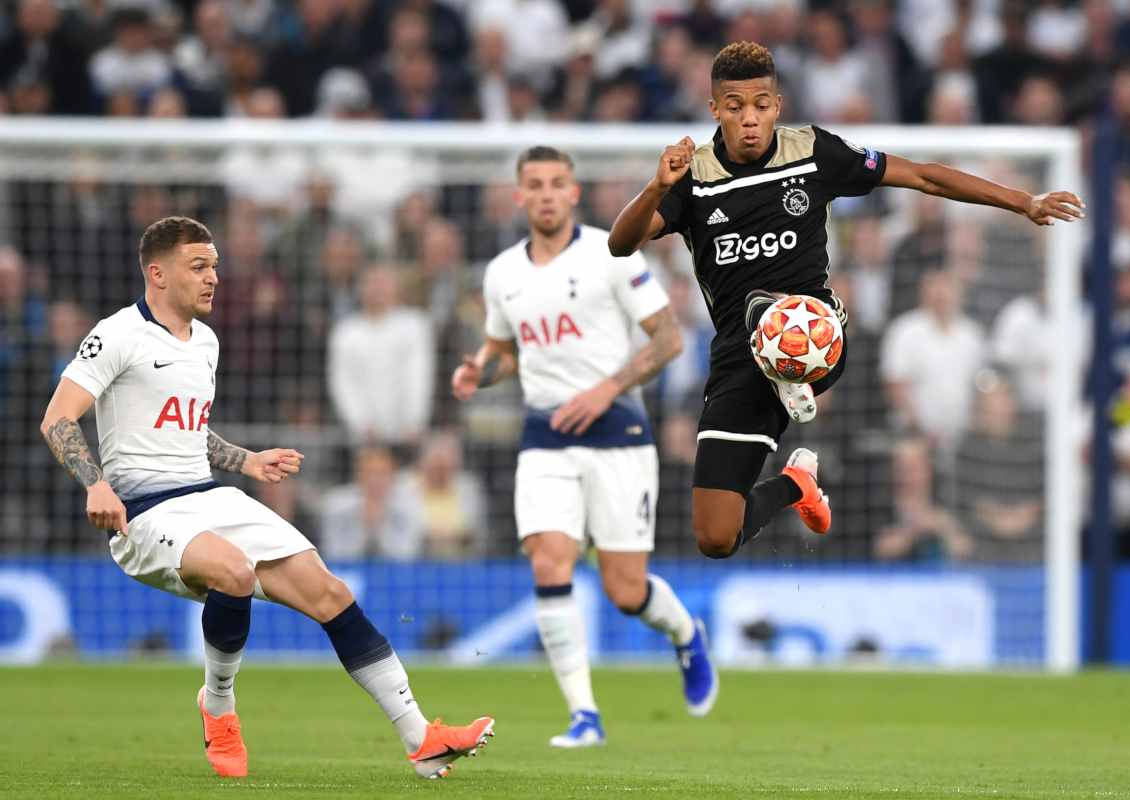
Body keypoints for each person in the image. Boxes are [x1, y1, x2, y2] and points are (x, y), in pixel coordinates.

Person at [39, 217, 493, 780]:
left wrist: (245, 461)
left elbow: (186, 431)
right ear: (157, 274)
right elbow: (58, 418)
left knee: (331, 593)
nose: (213, 277)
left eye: (214, 266)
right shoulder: (117, 334)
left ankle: (421, 739)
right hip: (144, 511)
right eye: (198, 267)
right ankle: (219, 706)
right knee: (233, 572)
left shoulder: (205, 341)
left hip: (208, 496)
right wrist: (96, 483)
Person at [608, 40, 1085, 559]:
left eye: (761, 105)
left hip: (818, 335)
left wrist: (1023, 201)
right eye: (735, 106)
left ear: (777, 105)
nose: (749, 118)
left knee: (766, 309)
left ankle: (786, 355)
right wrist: (656, 188)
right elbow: (620, 244)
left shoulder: (813, 152)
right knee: (715, 536)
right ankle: (797, 485)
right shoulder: (693, 177)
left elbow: (922, 176)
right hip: (738, 363)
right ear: (714, 109)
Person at [452, 147, 717, 748]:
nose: (546, 194)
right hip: (545, 438)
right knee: (550, 562)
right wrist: (478, 373)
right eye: (535, 184)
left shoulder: (611, 254)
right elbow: (505, 354)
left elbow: (669, 340)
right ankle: (584, 716)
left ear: (573, 193)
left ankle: (685, 635)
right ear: (519, 196)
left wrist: (606, 389)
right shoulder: (502, 274)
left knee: (626, 591)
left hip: (619, 434)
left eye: (557, 184)